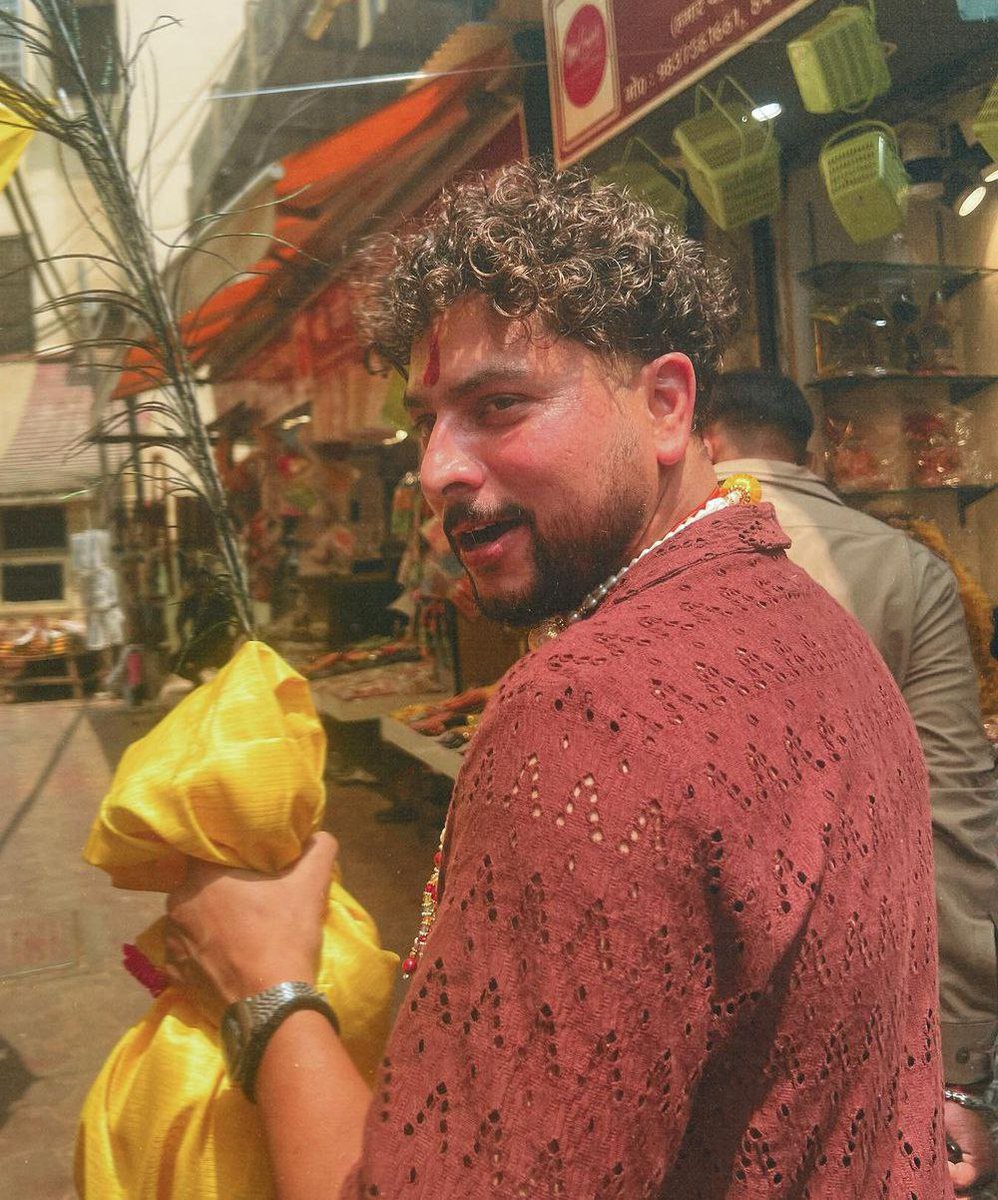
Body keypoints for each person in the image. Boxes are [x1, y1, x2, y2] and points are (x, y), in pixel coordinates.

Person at [165, 163, 954, 1198]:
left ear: (666, 404)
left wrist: (264, 989)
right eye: (424, 422)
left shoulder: (585, 715)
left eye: (499, 404)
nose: (438, 468)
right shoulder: (814, 624)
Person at [700, 369, 998, 1190]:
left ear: (702, 437)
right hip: (862, 1014)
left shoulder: (645, 567)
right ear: (816, 449)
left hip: (691, 1025)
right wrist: (962, 1064)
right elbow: (957, 819)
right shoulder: (909, 573)